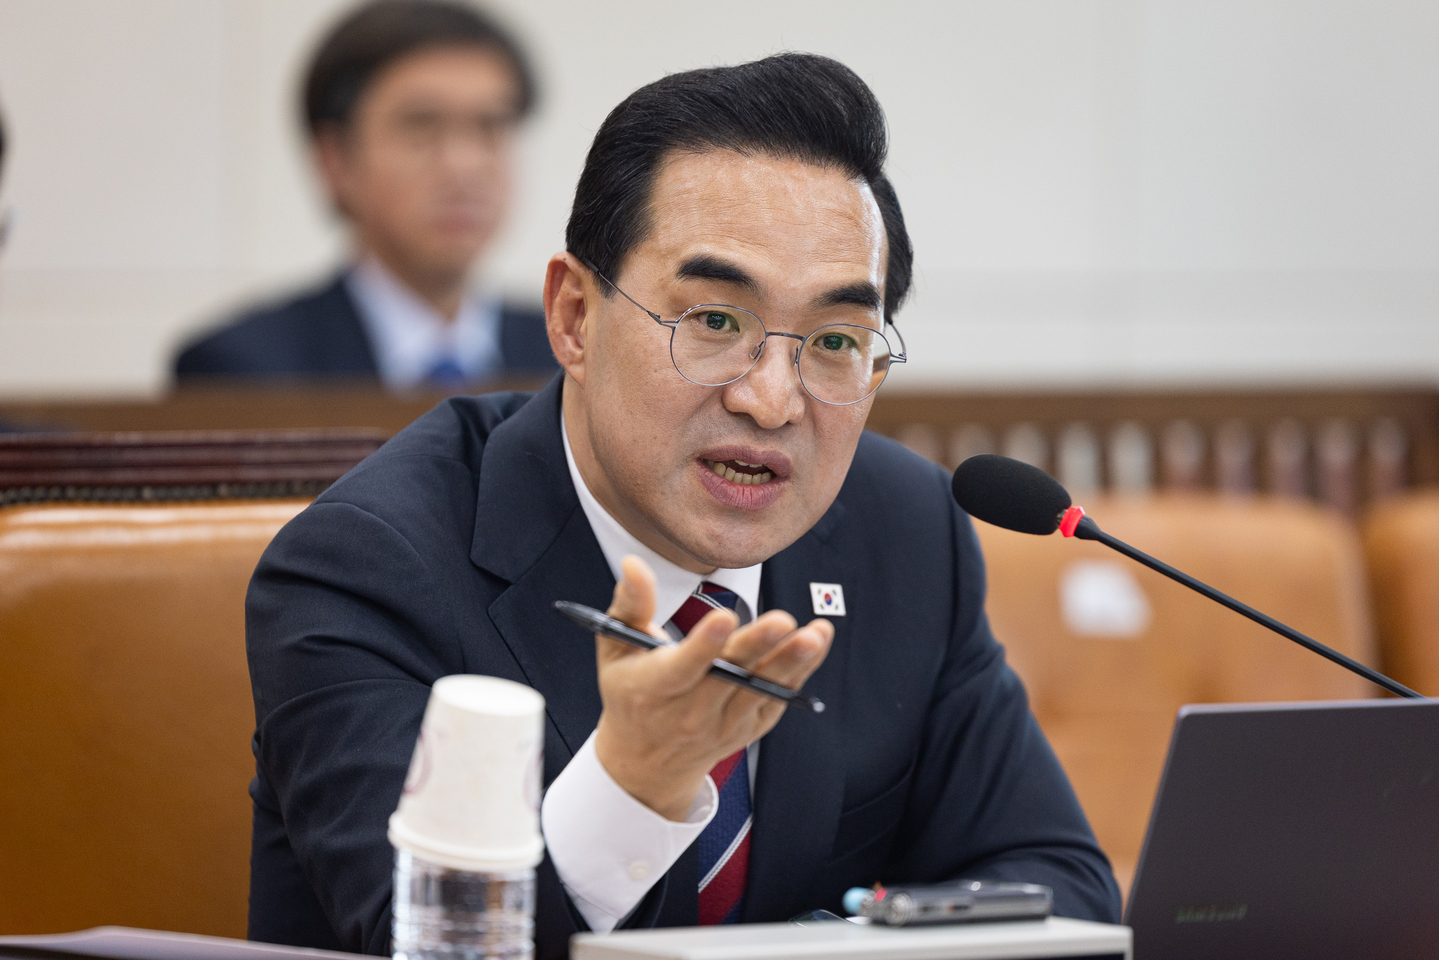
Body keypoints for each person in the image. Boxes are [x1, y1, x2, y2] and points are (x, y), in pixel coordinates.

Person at [245, 53, 1121, 958]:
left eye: (832, 340)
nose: (771, 399)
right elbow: (432, 944)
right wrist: (630, 789)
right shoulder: (367, 566)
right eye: (713, 322)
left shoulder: (904, 531)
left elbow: (1055, 882)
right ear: (575, 317)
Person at [174, 0, 556, 388]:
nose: (464, 166)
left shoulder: (569, 357)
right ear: (334, 160)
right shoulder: (243, 369)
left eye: (490, 126)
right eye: (421, 126)